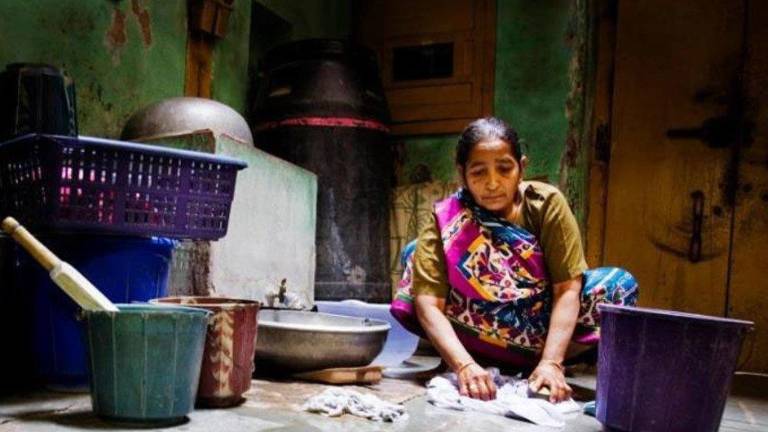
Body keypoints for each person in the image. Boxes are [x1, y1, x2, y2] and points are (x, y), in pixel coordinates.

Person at [391, 117, 638, 403]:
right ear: (462, 174)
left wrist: (551, 362)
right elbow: (429, 304)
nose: (493, 183)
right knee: (416, 254)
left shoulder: (545, 204)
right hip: (475, 330)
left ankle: (538, 364)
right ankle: (475, 357)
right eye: (479, 172)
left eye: (505, 169)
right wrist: (464, 365)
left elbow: (567, 289)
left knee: (619, 286)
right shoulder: (448, 219)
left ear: (522, 168)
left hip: (539, 327)